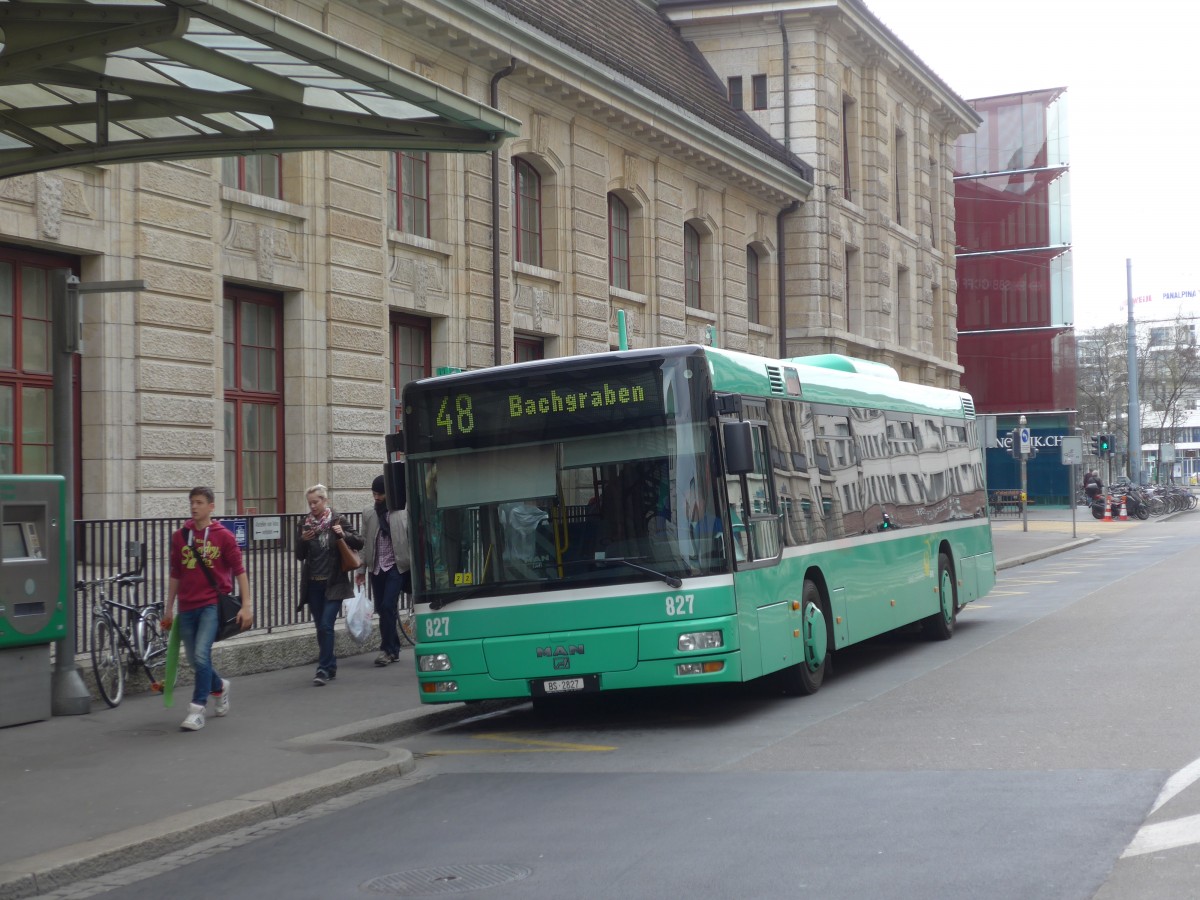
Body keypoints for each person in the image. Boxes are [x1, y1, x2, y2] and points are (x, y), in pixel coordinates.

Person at [161, 486, 253, 732]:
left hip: (211, 605)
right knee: (194, 659)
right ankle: (220, 687)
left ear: (211, 506)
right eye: (192, 502)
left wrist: (246, 605)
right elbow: (175, 574)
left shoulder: (224, 536)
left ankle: (197, 709)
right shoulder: (180, 536)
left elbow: (240, 572)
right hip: (186, 606)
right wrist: (169, 608)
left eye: (199, 502)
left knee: (202, 655)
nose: (194, 507)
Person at [296, 483, 363, 686]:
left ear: (325, 501)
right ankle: (331, 664)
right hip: (314, 584)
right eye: (310, 503)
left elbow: (359, 542)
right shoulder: (305, 523)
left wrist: (343, 534)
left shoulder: (337, 519)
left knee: (326, 625)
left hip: (334, 583)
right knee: (320, 628)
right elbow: (300, 556)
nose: (313, 506)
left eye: (316, 502)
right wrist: (303, 540)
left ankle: (323, 669)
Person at [357, 474, 410, 667]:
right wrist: (361, 570)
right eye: (374, 494)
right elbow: (363, 543)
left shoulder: (401, 512)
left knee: (388, 606)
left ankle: (386, 650)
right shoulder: (368, 513)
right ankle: (393, 647)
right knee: (382, 609)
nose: (376, 497)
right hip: (376, 568)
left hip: (396, 566)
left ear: (389, 493)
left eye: (380, 494)